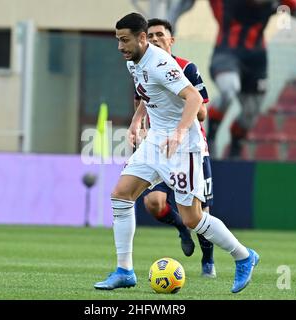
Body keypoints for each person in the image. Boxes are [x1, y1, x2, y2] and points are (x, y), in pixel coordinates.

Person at [94, 12, 259, 294]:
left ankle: (243, 256)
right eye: (118, 40)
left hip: (183, 145)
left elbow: (194, 98)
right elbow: (150, 94)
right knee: (121, 194)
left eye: (125, 40)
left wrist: (180, 132)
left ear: (141, 38)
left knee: (192, 218)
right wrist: (136, 121)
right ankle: (124, 270)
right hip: (157, 139)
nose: (120, 46)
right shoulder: (134, 61)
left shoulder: (160, 62)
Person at [166, 0, 296, 158]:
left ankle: (236, 146)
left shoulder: (280, 2)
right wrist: (169, 26)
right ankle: (211, 138)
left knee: (251, 112)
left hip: (257, 59)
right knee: (229, 90)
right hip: (226, 54)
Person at [135, 18, 216, 278]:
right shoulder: (141, 65)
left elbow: (201, 111)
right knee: (153, 202)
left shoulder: (186, 68)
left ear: (171, 40)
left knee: (201, 212)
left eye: (160, 34)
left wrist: (184, 116)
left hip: (190, 148)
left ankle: (208, 262)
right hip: (159, 146)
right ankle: (181, 228)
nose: (155, 38)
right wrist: (138, 122)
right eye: (151, 35)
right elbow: (146, 100)